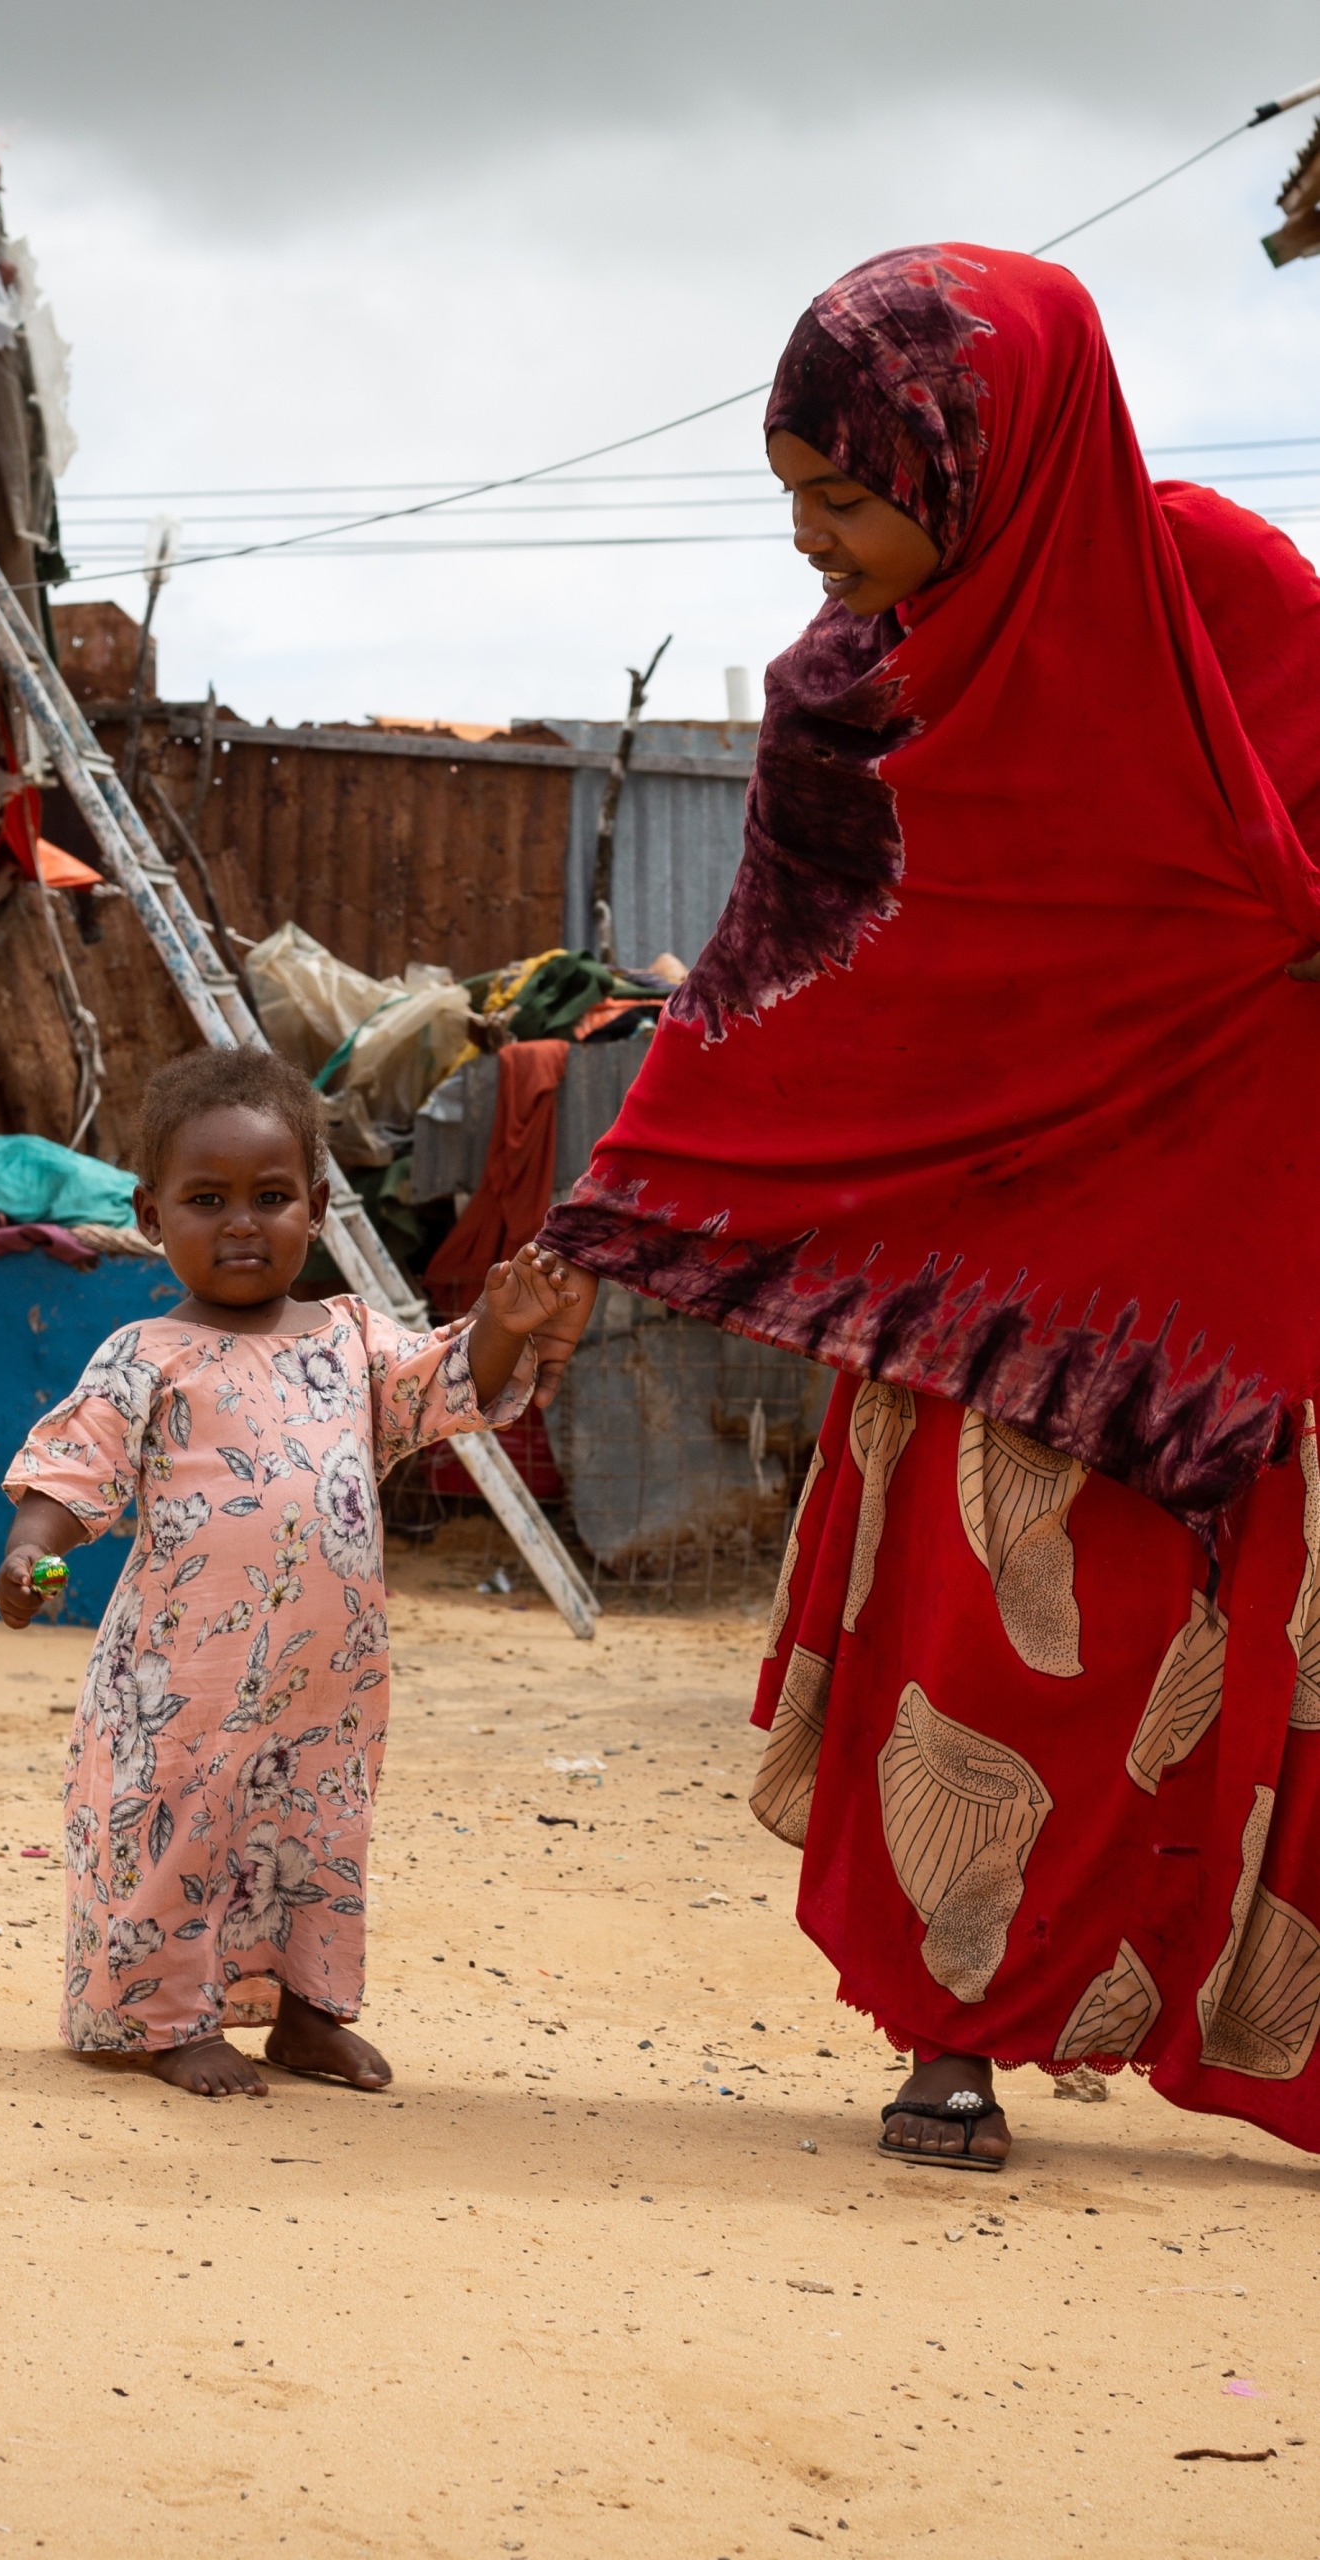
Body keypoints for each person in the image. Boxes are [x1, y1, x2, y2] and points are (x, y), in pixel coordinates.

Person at [535, 243, 1320, 2169]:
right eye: (793, 494)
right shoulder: (857, 693)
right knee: (986, 1647)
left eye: (847, 495)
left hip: (1223, 1236)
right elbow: (777, 989)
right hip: (983, 1258)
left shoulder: (1223, 594)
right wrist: (598, 1227)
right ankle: (951, 2029)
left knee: (1225, 1649)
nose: (813, 539)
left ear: (989, 458)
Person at [0, 1045, 576, 2099]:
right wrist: (32, 1548)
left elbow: (440, 1386)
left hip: (328, 1682)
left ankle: (310, 2017)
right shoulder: (145, 1353)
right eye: (206, 1200)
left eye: (270, 1198)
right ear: (151, 1213)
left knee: (319, 1839)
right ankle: (170, 2021)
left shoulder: (348, 1338)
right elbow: (76, 1467)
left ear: (315, 1207)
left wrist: (502, 1324)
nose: (241, 1224)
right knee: (177, 1834)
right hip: (183, 1684)